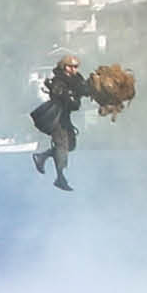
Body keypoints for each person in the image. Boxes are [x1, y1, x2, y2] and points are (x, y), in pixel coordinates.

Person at [29, 53, 91, 191]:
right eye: (71, 67)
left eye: (76, 67)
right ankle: (60, 177)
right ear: (64, 67)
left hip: (65, 116)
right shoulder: (59, 81)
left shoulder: (76, 80)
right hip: (57, 116)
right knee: (62, 145)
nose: (74, 69)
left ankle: (42, 157)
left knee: (70, 145)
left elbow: (83, 90)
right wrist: (71, 98)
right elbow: (61, 96)